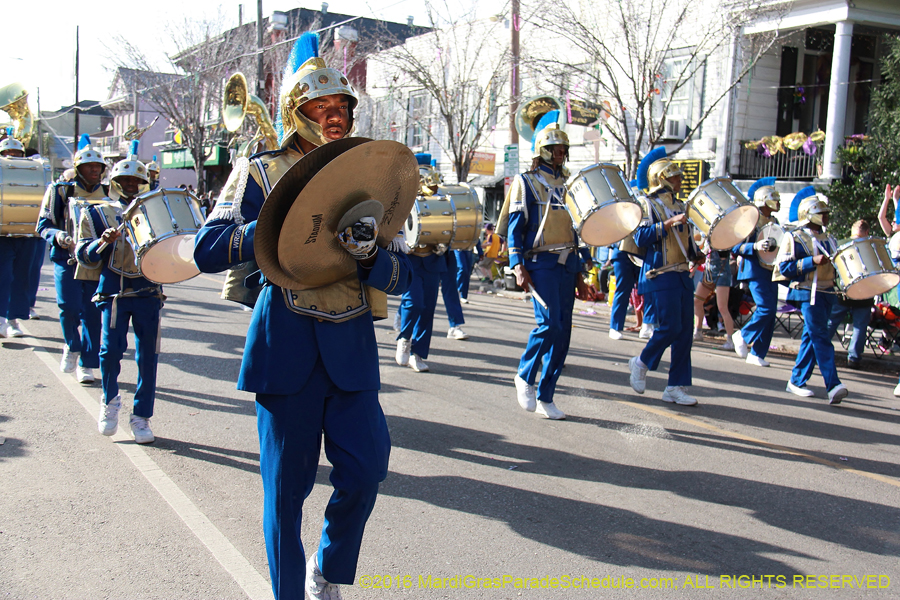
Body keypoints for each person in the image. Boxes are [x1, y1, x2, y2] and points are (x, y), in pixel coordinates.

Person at [192, 33, 412, 600]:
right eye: (322, 107)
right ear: (297, 111)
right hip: (286, 345)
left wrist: (368, 254)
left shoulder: (372, 173)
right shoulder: (262, 170)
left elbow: (401, 276)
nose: (335, 116)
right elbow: (207, 246)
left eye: (342, 107)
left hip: (351, 347)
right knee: (285, 495)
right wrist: (270, 229)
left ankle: (328, 568)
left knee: (366, 473)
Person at [501, 111, 591, 420]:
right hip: (540, 263)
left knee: (563, 333)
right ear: (543, 150)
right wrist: (516, 264)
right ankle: (525, 375)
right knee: (549, 324)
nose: (561, 154)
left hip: (567, 264)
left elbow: (577, 229)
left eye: (564, 149)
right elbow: (515, 226)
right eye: (556, 149)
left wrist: (581, 271)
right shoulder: (526, 182)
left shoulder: (572, 184)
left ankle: (547, 395)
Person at [75, 144, 162, 443]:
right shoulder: (96, 212)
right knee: (109, 352)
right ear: (114, 183)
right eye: (124, 181)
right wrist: (102, 242)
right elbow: (83, 255)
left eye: (135, 181)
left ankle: (142, 416)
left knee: (148, 356)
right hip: (113, 293)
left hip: (148, 290)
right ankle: (109, 401)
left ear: (143, 183)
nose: (130, 185)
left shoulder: (155, 210)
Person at [627, 147, 701, 406]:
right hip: (659, 274)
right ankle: (641, 362)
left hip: (681, 274)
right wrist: (668, 224)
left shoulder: (680, 205)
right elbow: (641, 237)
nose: (680, 181)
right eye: (675, 177)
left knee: (684, 333)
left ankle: (675, 386)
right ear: (662, 180)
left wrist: (697, 254)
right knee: (669, 327)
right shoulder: (646, 204)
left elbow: (687, 240)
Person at [37, 135, 108, 383]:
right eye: (90, 167)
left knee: (93, 313)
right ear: (78, 169)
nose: (95, 171)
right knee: (68, 306)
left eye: (98, 167)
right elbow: (43, 225)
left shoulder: (110, 193)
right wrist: (59, 236)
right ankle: (71, 345)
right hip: (66, 259)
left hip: (96, 262)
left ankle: (87, 363)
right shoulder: (59, 191)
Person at [775, 187, 848, 404]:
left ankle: (796, 381)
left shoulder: (830, 238)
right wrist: (810, 262)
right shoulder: (794, 237)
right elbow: (783, 268)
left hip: (827, 292)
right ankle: (833, 384)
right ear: (810, 214)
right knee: (821, 337)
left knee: (812, 336)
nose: (826, 216)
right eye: (822, 212)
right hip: (808, 292)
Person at [396, 154, 465, 373]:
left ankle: (418, 353)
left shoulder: (440, 200)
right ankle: (405, 338)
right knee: (414, 302)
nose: (428, 181)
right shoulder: (403, 198)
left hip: (434, 260)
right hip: (411, 260)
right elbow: (396, 227)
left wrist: (444, 244)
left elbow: (448, 226)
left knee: (428, 310)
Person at [731, 177, 782, 366]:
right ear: (764, 200)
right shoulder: (751, 218)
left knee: (770, 312)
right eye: (773, 199)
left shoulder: (774, 220)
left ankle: (758, 353)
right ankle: (743, 335)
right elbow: (736, 247)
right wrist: (756, 246)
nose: (777, 203)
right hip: (754, 268)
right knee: (766, 308)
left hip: (771, 269)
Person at [0, 137, 43, 338]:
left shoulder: (33, 172)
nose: (12, 156)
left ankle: (13, 319)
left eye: (16, 153)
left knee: (21, 279)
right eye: (7, 153)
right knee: (4, 277)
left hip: (27, 234)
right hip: (2, 235)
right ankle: (1, 318)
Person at [827, 220, 874, 369]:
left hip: (843, 290)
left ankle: (819, 350)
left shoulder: (841, 244)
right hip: (865, 291)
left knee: (832, 322)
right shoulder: (870, 246)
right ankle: (854, 358)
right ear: (866, 232)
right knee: (860, 325)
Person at [692, 245, 738, 351]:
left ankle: (730, 340)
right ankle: (698, 331)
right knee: (697, 301)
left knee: (722, 307)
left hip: (721, 271)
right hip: (708, 270)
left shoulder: (724, 235)